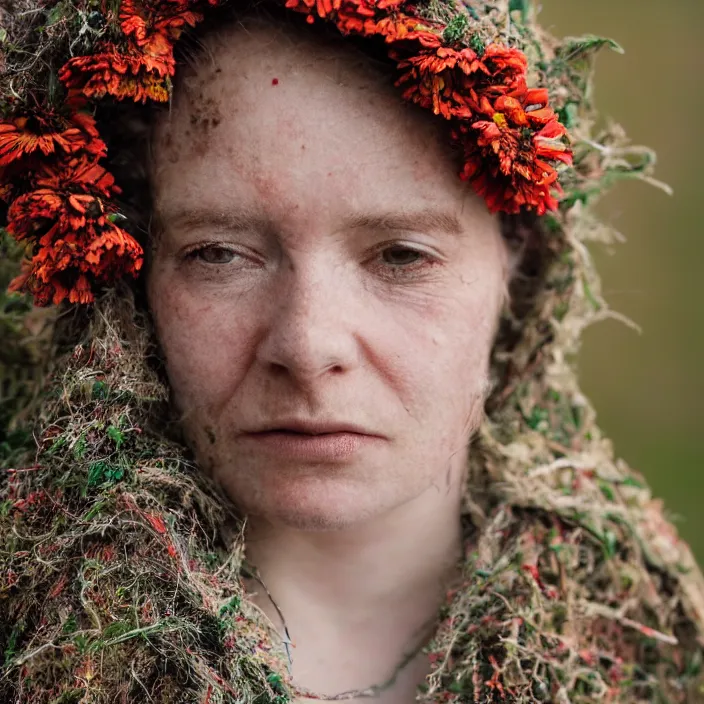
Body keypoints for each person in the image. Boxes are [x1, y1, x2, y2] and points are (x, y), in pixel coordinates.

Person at [1, 1, 703, 703]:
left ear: (519, 266)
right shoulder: (26, 643)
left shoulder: (661, 657)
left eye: (401, 255)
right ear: (134, 278)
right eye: (220, 253)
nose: (308, 347)